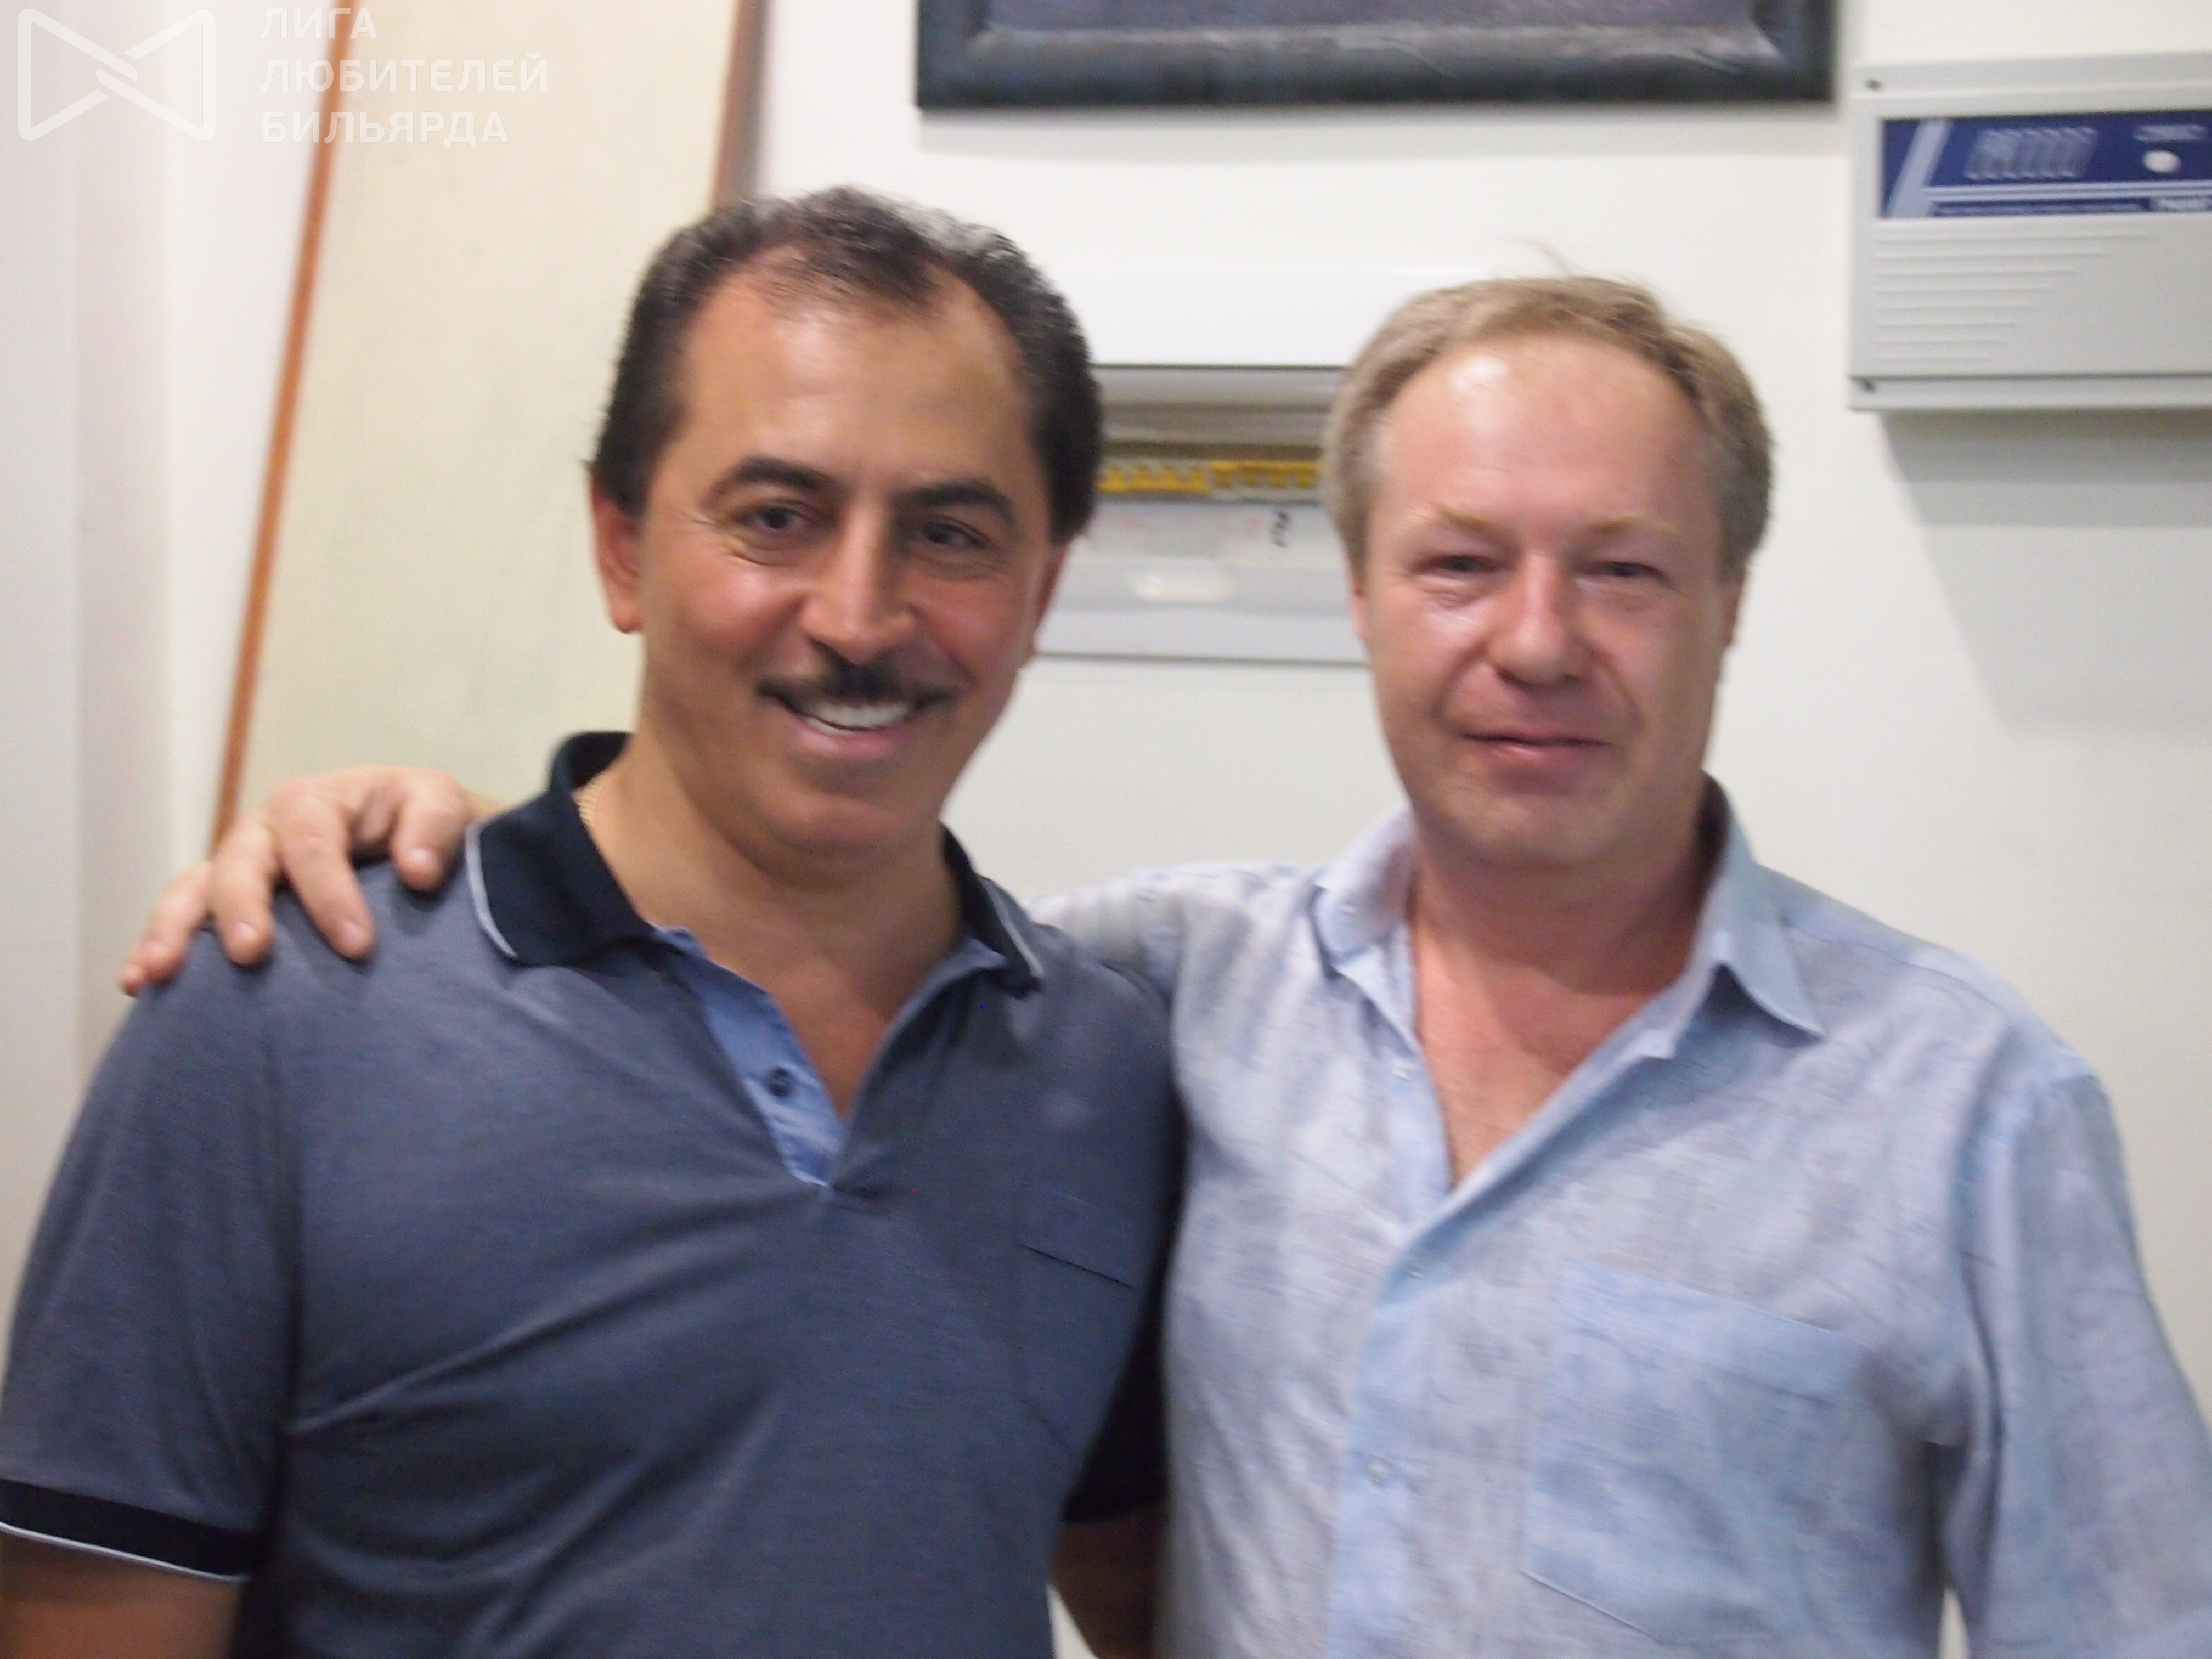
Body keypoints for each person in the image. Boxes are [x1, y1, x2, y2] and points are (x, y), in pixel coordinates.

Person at [110, 276, 2212, 1656]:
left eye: (1626, 570)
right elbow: (770, 884)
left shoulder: (1964, 1108)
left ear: (1730, 600)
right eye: (1460, 564)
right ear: (1363, 596)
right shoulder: (1161, 997)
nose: (1538, 642)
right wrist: (438, 829)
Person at [0, 189, 1182, 1659]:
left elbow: (1157, 1596)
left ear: (1040, 589)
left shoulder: (1105, 1075)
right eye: (776, 518)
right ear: (622, 546)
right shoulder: (277, 1016)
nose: (859, 615)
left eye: (949, 534)